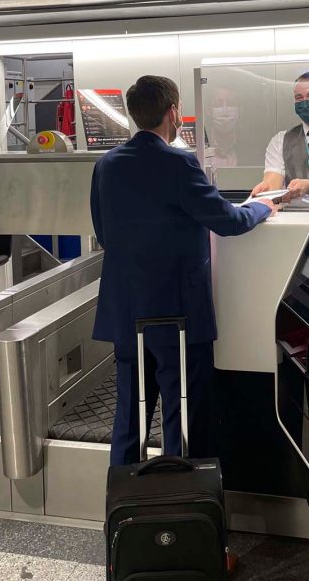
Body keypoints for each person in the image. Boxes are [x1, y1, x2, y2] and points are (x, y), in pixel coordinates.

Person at [90, 76, 275, 466]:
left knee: (130, 414)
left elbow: (104, 232)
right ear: (173, 112)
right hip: (176, 314)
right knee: (183, 414)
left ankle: (123, 504)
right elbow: (227, 221)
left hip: (126, 311)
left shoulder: (106, 164)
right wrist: (262, 208)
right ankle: (180, 506)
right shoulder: (178, 162)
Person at [252, 72, 309, 202]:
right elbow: (273, 183)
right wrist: (266, 190)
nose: (304, 102)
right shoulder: (281, 141)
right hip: (294, 219)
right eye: (299, 97)